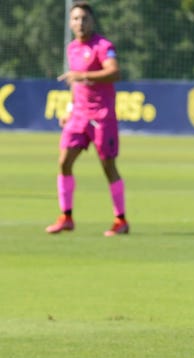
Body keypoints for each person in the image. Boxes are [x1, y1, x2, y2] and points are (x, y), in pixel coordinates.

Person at [46, 1, 129, 236]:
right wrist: (70, 108)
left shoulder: (103, 46)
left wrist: (81, 75)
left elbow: (114, 72)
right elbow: (76, 85)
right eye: (76, 19)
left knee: (108, 166)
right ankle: (66, 216)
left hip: (102, 116)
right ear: (70, 23)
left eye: (84, 18)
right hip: (78, 116)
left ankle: (121, 220)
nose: (80, 23)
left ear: (92, 21)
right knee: (64, 163)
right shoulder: (72, 48)